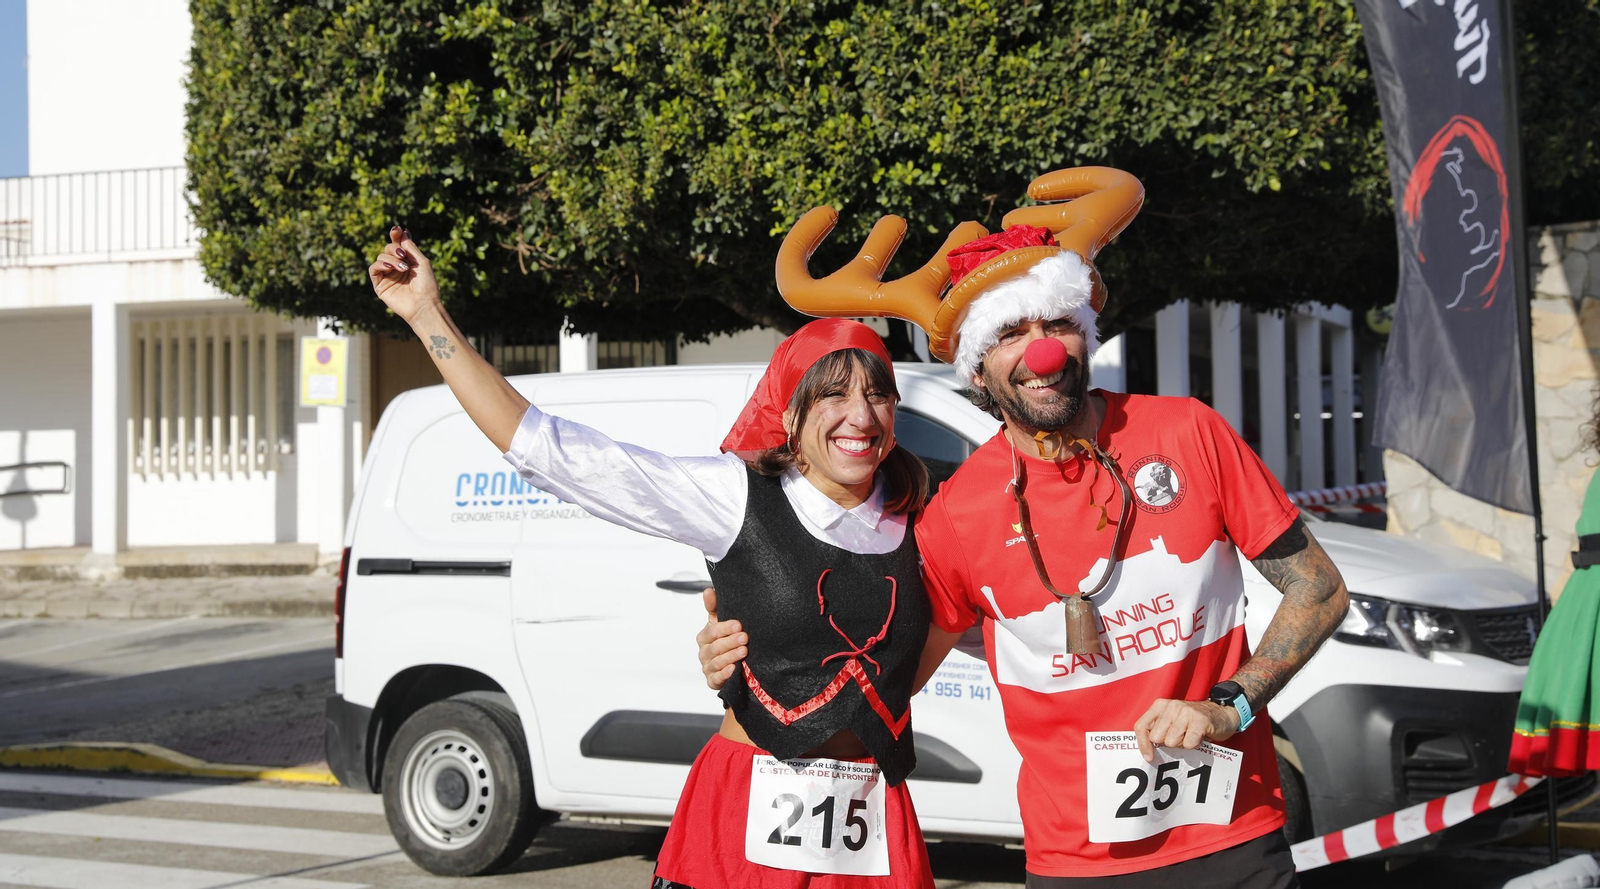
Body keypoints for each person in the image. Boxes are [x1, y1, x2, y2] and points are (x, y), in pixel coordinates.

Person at [698, 167, 1350, 887]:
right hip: (1074, 865)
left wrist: (1229, 705)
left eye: (1058, 324)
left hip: (1234, 839)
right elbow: (877, 678)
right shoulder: (954, 514)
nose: (1041, 350)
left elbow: (1318, 589)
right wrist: (747, 654)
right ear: (979, 367)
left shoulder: (1188, 432)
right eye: (1010, 332)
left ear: (1086, 334)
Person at [367, 225, 947, 888]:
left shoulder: (923, 516)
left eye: (877, 393)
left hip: (870, 828)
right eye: (834, 395)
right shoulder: (735, 495)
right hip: (741, 817)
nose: (860, 415)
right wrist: (426, 316)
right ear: (789, 417)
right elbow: (553, 451)